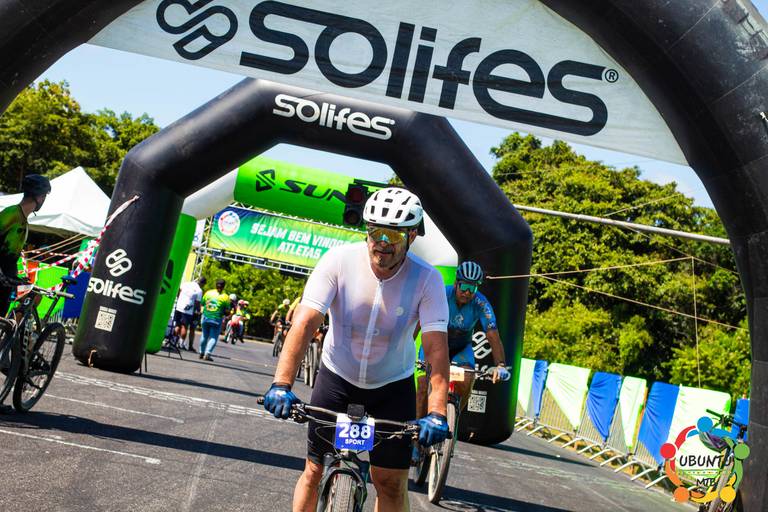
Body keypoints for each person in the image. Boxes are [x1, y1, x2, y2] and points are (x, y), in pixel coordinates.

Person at [263, 187, 451, 512]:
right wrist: (281, 384)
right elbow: (305, 323)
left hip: (392, 388)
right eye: (376, 231)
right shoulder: (338, 261)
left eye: (393, 234)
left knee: (390, 483)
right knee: (313, 471)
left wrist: (436, 412)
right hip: (336, 379)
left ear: (412, 235)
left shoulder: (427, 279)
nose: (382, 242)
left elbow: (436, 351)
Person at [416, 261, 510, 418]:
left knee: (467, 379)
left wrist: (500, 365)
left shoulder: (481, 303)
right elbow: (420, 321)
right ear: (456, 283)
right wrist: (406, 345)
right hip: (436, 343)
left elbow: (492, 335)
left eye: (472, 288)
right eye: (464, 286)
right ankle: (417, 426)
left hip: (461, 348)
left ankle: (454, 415)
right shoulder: (442, 294)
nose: (467, 292)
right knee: (423, 385)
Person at [0, 174, 51, 316]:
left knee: (34, 296)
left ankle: (12, 328)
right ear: (40, 197)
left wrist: (16, 276)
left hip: (9, 277)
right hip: (3, 278)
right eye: (44, 196)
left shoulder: (23, 220)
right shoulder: (12, 213)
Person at [199, 278, 231, 361]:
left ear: (216, 285)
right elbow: (227, 311)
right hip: (216, 319)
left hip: (205, 317)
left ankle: (201, 352)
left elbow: (202, 303)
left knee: (204, 335)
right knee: (213, 337)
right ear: (224, 286)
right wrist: (226, 313)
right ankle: (207, 354)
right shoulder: (225, 297)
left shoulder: (208, 293)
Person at [173, 276, 206, 351]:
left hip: (179, 306)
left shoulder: (186, 284)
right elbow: (197, 303)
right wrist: (199, 311)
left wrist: (179, 300)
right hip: (187, 310)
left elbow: (179, 292)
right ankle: (181, 343)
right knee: (184, 326)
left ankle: (173, 341)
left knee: (177, 325)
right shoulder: (199, 290)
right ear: (202, 283)